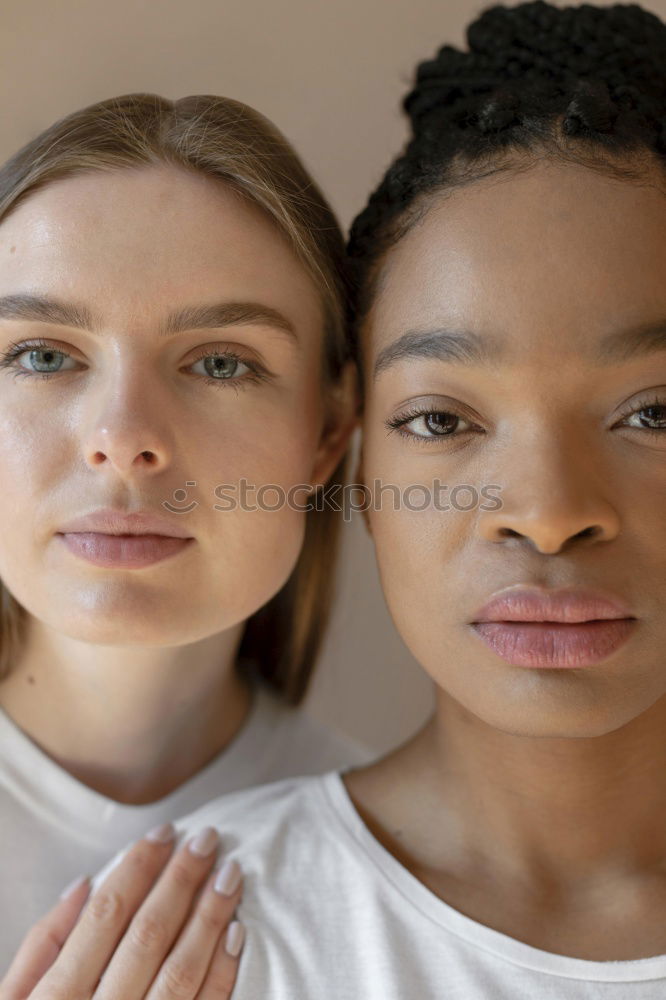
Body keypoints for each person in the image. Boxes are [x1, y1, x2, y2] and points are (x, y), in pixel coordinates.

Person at [91, 2, 666, 996]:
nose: (545, 510)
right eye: (443, 420)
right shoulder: (204, 934)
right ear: (350, 454)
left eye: (655, 413)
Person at [0, 92, 374, 993]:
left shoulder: (411, 876)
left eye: (220, 362)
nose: (124, 437)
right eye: (44, 355)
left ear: (327, 433)